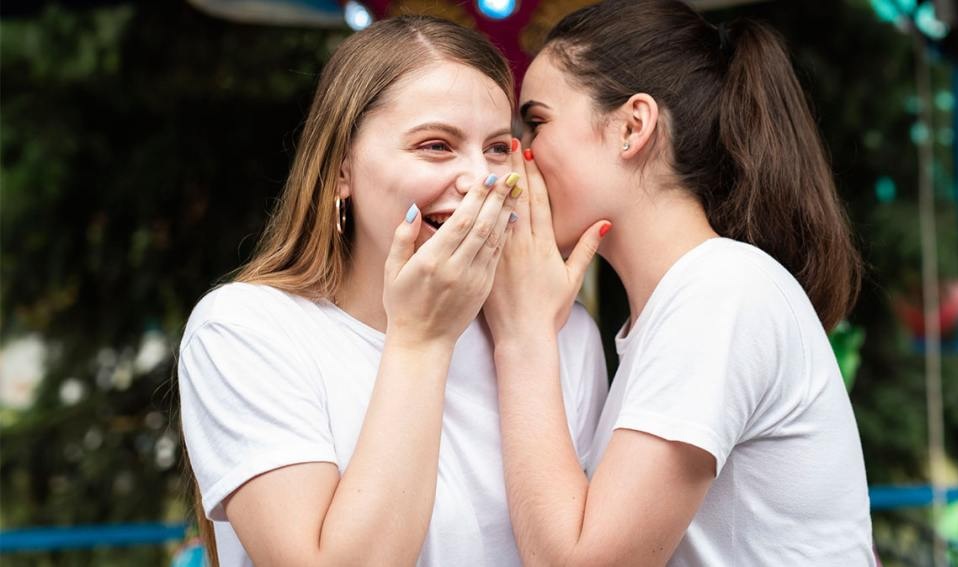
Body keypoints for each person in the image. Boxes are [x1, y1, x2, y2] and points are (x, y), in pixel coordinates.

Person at [177, 15, 608, 567]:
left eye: (498, 148)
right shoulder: (246, 330)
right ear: (340, 170)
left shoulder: (562, 335)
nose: (481, 178)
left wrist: (528, 340)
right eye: (435, 145)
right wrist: (422, 338)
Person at [483, 0, 874, 565]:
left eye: (536, 123)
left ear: (632, 126)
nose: (519, 156)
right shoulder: (689, 299)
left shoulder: (718, 290)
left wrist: (522, 335)